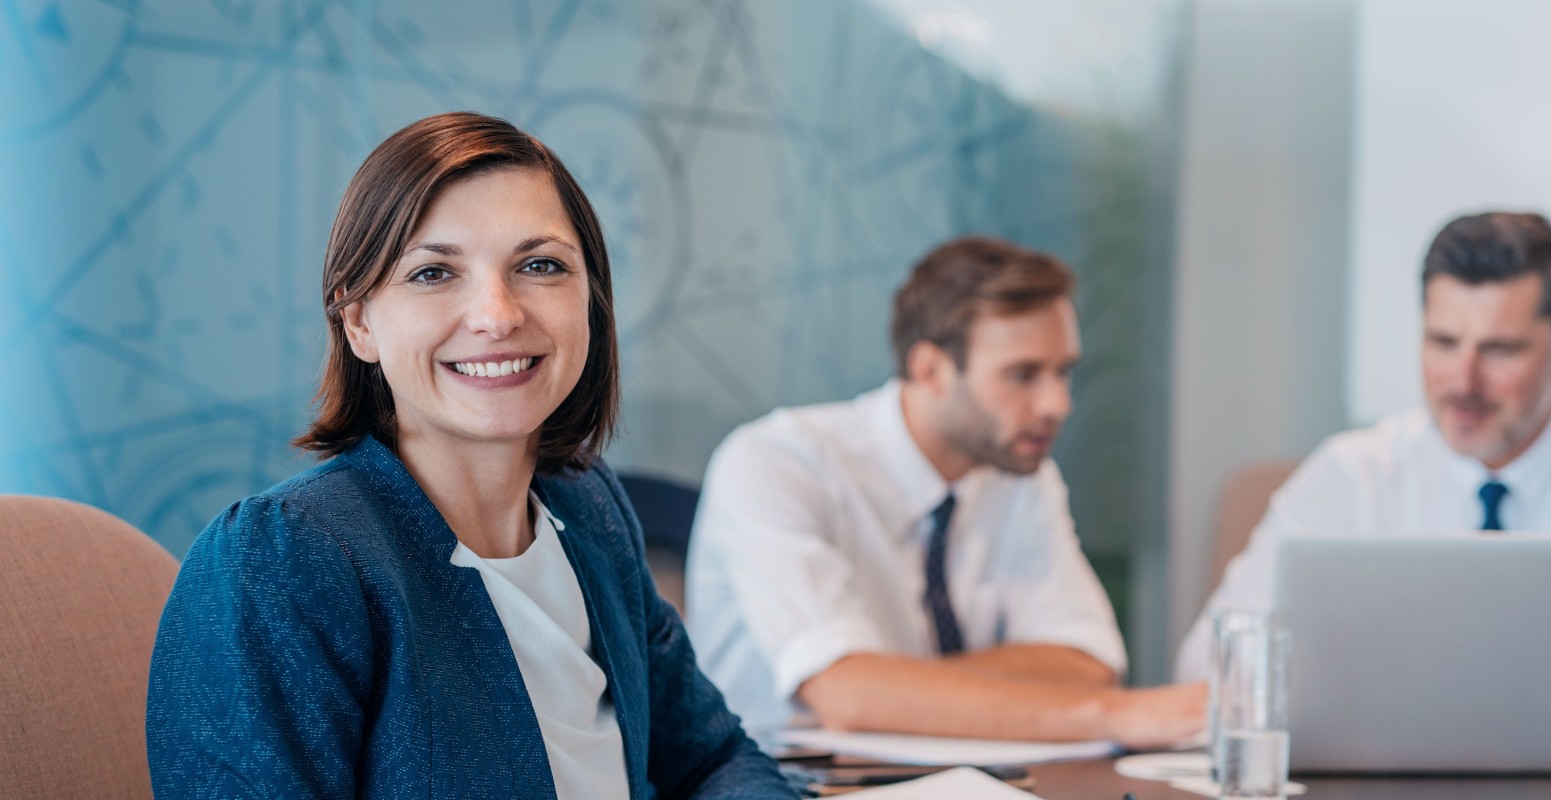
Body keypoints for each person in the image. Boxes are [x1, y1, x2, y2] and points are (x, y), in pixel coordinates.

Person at [146, 112, 794, 799]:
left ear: (590, 301)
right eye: (433, 273)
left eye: (540, 266)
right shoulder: (282, 561)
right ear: (359, 322)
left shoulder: (590, 508)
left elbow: (715, 760)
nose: (497, 314)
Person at [1178, 212, 1551, 748]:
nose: (1463, 381)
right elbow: (1209, 666)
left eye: (1500, 350)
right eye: (1442, 342)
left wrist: (1469, 699)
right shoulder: (1350, 474)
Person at [686, 236, 1205, 746]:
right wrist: (1111, 716)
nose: (1057, 404)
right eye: (1023, 375)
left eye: (1063, 372)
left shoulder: (1020, 474)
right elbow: (847, 694)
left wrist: (908, 690)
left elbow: (1089, 661)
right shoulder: (776, 464)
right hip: (781, 781)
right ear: (930, 370)